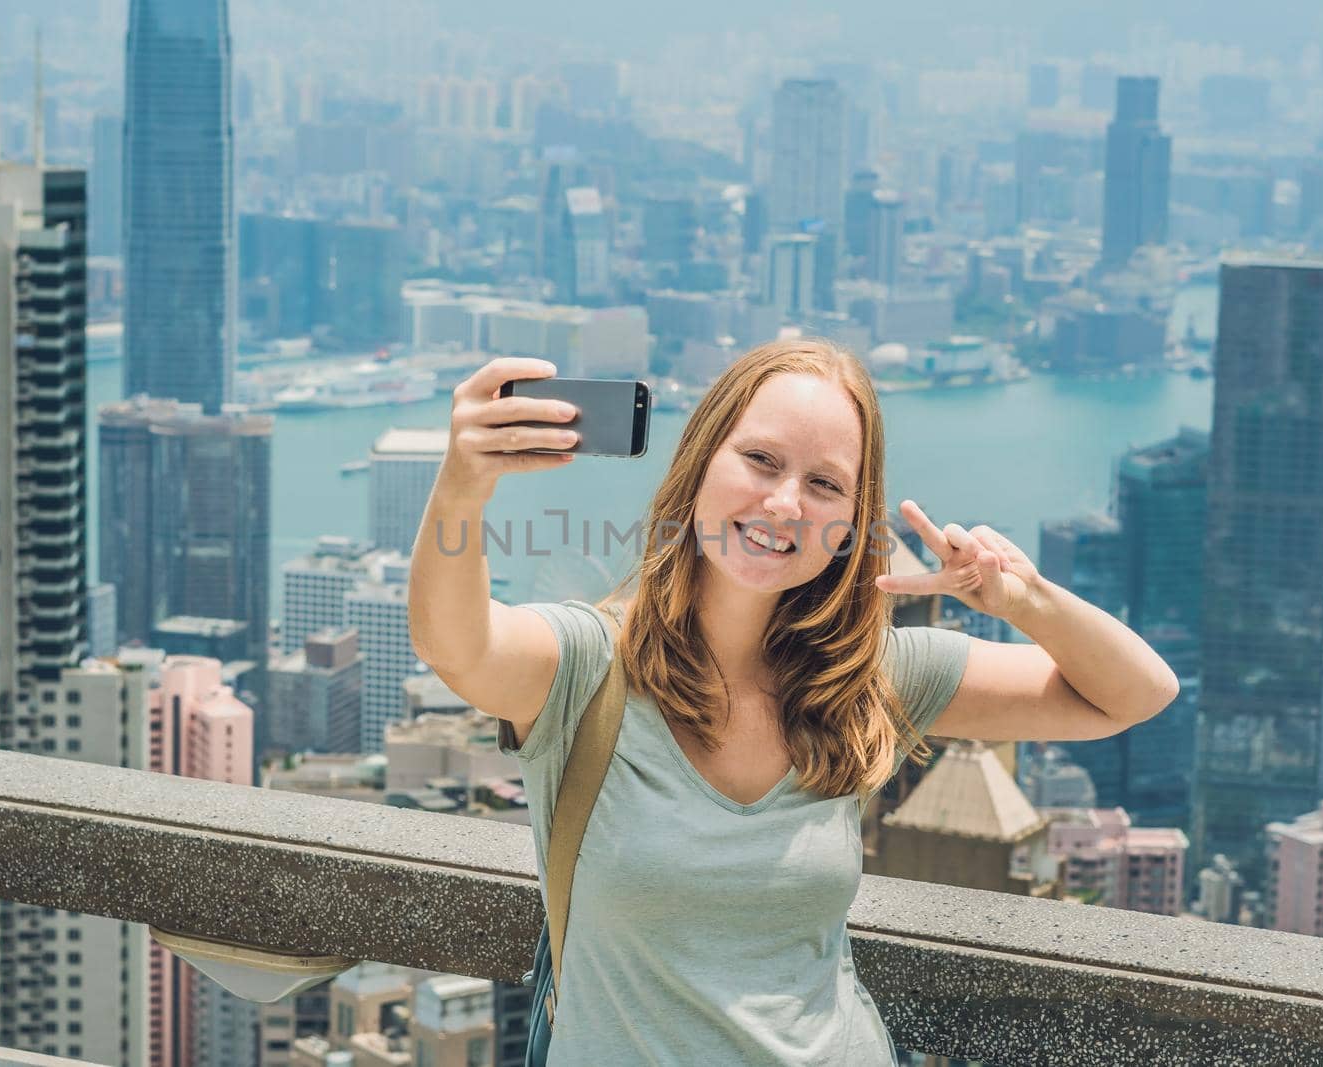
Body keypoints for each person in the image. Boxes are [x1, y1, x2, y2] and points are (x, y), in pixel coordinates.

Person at [408, 338, 1179, 1066]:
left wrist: (1024, 596)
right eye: (761, 459)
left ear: (850, 520)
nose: (784, 503)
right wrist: (462, 483)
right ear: (701, 461)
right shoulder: (587, 666)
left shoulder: (869, 677)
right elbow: (460, 647)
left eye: (824, 484)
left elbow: (1134, 695)